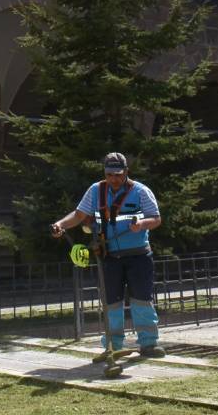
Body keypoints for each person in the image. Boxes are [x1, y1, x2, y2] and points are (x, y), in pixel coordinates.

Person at [51, 152, 165, 358]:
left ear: (126, 173)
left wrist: (141, 225)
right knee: (111, 302)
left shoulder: (141, 191)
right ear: (105, 173)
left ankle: (149, 344)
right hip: (109, 256)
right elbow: (79, 215)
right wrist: (60, 224)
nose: (114, 179)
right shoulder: (95, 190)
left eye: (118, 174)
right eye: (110, 174)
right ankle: (113, 346)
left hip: (138, 256)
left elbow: (156, 219)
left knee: (141, 300)